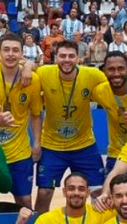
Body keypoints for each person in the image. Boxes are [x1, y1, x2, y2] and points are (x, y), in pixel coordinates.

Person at [34, 40, 110, 212]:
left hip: (83, 145)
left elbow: (116, 85)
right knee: (44, 192)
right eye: (62, 56)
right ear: (55, 58)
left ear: (78, 58)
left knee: (98, 192)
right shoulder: (44, 73)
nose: (66, 60)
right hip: (52, 146)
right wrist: (27, 66)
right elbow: (27, 66)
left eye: (71, 56)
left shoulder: (93, 75)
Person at [0, 33, 42, 209]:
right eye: (6, 50)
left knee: (25, 202)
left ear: (22, 54)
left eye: (15, 50)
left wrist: (37, 144)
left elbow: (35, 115)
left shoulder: (33, 80)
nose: (10, 54)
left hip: (20, 153)